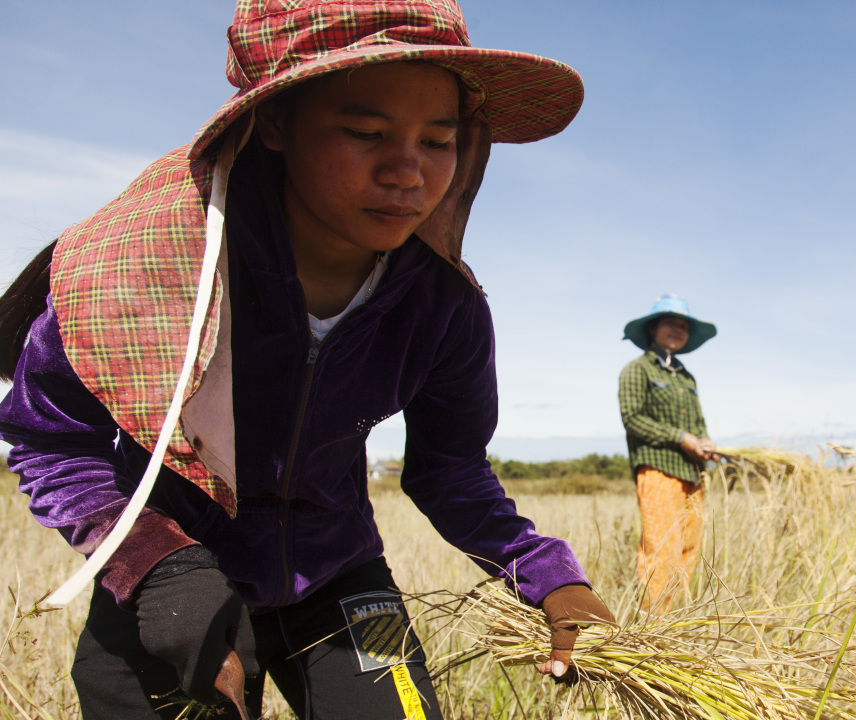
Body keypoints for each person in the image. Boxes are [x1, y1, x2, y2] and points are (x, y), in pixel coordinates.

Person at [0, 1, 613, 717]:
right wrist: (157, 567)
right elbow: (51, 440)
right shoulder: (149, 268)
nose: (408, 172)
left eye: (438, 141)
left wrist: (550, 579)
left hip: (342, 575)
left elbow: (452, 471)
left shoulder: (442, 309)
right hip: (173, 586)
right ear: (276, 124)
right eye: (364, 132)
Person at [617, 294, 719, 614]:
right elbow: (633, 420)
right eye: (670, 323)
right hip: (659, 470)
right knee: (662, 549)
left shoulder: (686, 378)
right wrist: (680, 438)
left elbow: (699, 425)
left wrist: (705, 443)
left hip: (693, 474)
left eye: (684, 325)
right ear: (653, 329)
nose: (678, 329)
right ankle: (652, 625)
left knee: (688, 548)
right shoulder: (637, 370)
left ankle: (671, 619)